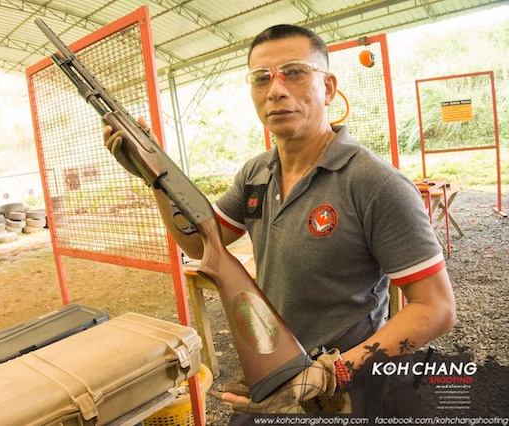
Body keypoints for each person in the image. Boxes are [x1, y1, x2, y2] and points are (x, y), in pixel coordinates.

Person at [103, 24, 456, 414]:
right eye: (261, 78)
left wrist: (329, 373)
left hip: (351, 383)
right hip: (274, 370)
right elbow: (200, 242)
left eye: (294, 72)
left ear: (329, 86)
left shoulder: (374, 183)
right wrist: (155, 178)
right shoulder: (256, 172)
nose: (276, 90)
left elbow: (436, 308)